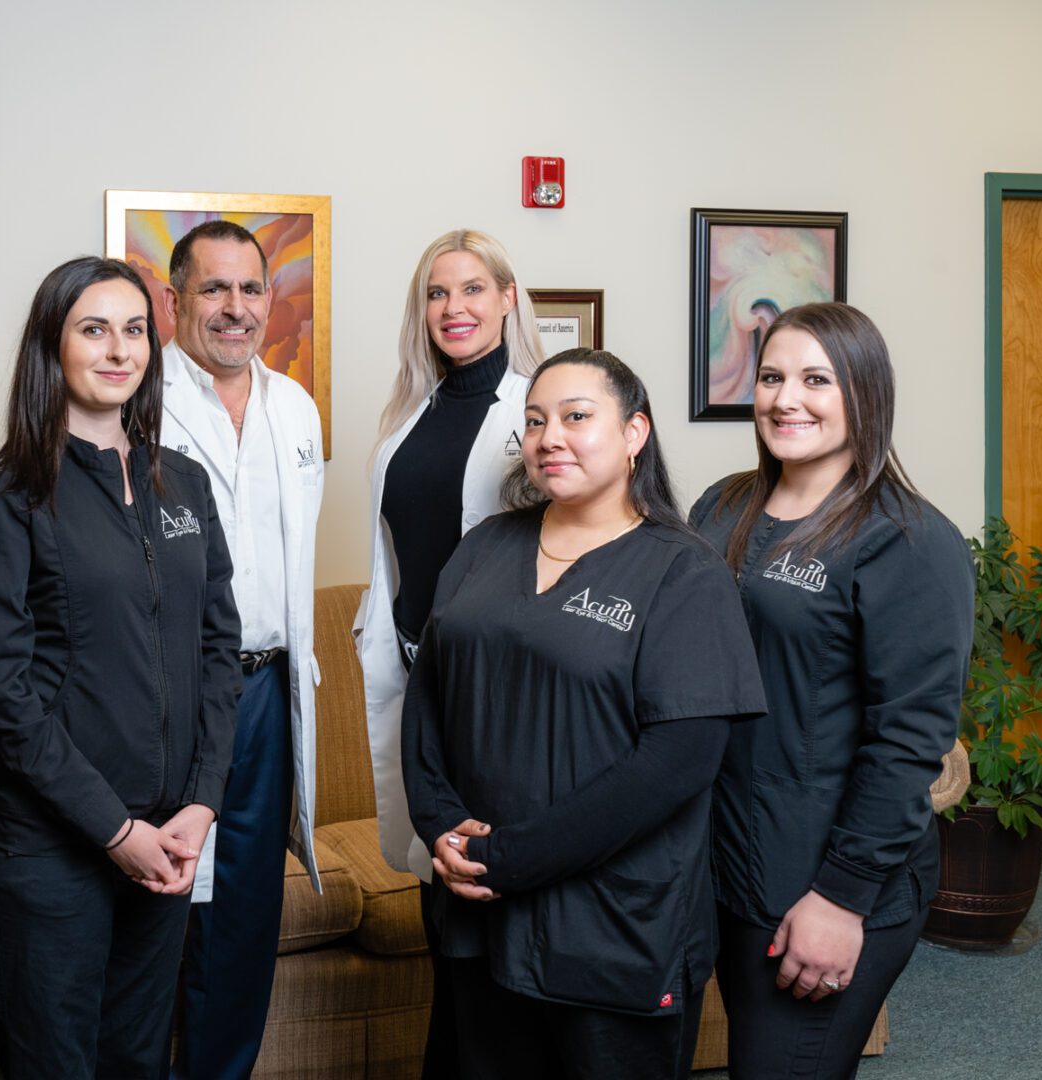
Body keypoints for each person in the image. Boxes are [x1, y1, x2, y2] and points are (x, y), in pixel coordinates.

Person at [401, 349, 766, 1080]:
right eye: (535, 421)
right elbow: (427, 703)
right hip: (479, 907)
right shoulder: (483, 549)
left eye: (575, 417)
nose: (549, 438)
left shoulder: (682, 571)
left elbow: (680, 761)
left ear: (635, 434)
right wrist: (439, 822)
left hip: (613, 924)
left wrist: (513, 857)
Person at [0, 256, 241, 1079]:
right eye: (93, 329)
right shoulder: (9, 493)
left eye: (133, 330)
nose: (119, 350)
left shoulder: (180, 480)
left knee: (138, 1058)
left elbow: (218, 650)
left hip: (169, 837)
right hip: (53, 846)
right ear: (54, 345)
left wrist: (202, 802)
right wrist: (114, 831)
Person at [688, 302, 973, 1079]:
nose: (787, 398)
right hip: (731, 857)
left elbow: (909, 741)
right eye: (772, 376)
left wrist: (841, 899)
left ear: (865, 393)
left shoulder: (909, 540)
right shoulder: (723, 507)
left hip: (829, 878)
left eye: (817, 379)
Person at [355, 227, 544, 1075]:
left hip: (497, 692)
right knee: (444, 901)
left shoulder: (539, 408)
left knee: (486, 902)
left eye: (472, 289)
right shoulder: (411, 412)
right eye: (437, 293)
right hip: (418, 677)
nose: (454, 308)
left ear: (508, 297)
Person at [158, 221, 324, 1080]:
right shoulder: (137, 398)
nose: (234, 308)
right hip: (169, 697)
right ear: (175, 300)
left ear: (270, 299)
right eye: (213, 289)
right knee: (164, 910)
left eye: (250, 289)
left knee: (246, 916)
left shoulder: (295, 408)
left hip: (264, 696)